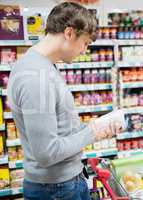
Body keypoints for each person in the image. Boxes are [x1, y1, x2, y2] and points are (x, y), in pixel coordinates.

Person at [7, 2, 125, 200]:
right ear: (69, 33)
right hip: (55, 189)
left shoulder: (45, 65)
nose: (84, 50)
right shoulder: (36, 76)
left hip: (62, 184)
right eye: (85, 43)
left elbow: (56, 128)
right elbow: (46, 153)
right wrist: (90, 134)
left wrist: (89, 128)